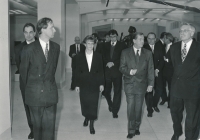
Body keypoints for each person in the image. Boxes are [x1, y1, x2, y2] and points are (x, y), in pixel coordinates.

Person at [20, 17, 60, 140]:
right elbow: (24, 76)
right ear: (43, 29)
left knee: (49, 132)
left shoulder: (56, 47)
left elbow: (52, 71)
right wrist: (27, 97)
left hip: (50, 94)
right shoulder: (28, 49)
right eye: (51, 27)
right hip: (34, 96)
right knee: (38, 132)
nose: (54, 30)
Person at [120, 32, 154, 139]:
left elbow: (150, 70)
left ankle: (137, 126)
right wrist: (129, 71)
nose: (142, 41)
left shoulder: (148, 53)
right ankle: (131, 129)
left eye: (142, 39)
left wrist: (151, 84)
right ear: (134, 41)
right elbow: (121, 67)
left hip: (141, 84)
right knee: (131, 107)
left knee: (139, 107)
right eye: (139, 39)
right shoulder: (125, 52)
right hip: (129, 83)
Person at [170, 23, 200, 140]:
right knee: (175, 113)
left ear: (192, 33)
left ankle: (190, 137)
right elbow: (174, 66)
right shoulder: (174, 47)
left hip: (193, 88)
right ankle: (177, 132)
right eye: (180, 31)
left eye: (185, 31)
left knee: (192, 116)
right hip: (176, 87)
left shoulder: (198, 47)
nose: (181, 33)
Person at [75, 35, 104, 135]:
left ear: (94, 44)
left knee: (93, 103)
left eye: (92, 43)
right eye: (88, 43)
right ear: (84, 44)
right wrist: (77, 84)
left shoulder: (98, 56)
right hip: (83, 83)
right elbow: (77, 71)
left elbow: (101, 71)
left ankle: (91, 124)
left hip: (95, 83)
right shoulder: (79, 56)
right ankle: (86, 117)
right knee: (85, 102)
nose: (90, 45)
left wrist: (101, 83)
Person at [14, 23, 36, 139]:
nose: (28, 35)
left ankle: (40, 128)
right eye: (26, 32)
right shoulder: (18, 48)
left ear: (35, 33)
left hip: (40, 83)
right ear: (23, 33)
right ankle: (32, 129)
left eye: (31, 32)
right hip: (25, 83)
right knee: (27, 107)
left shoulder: (41, 45)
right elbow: (19, 66)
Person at [103, 29, 126, 118]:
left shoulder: (122, 45)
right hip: (107, 72)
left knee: (117, 92)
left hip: (117, 72)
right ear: (108, 37)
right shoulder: (104, 45)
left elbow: (123, 58)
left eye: (114, 36)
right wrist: (107, 62)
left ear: (117, 36)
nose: (112, 38)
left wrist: (113, 63)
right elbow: (101, 56)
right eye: (111, 36)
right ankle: (110, 103)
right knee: (106, 91)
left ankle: (115, 111)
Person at [143, 32, 164, 117]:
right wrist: (151, 71)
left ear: (156, 39)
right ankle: (149, 110)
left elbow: (162, 60)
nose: (151, 40)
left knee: (160, 89)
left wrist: (157, 69)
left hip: (158, 72)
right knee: (149, 92)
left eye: (153, 38)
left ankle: (154, 104)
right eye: (149, 38)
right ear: (147, 39)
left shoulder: (160, 47)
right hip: (147, 73)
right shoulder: (144, 47)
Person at [160, 33, 174, 108]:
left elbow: (176, 59)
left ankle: (170, 102)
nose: (163, 40)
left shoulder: (174, 47)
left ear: (168, 39)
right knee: (162, 86)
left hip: (170, 71)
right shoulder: (163, 46)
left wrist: (167, 60)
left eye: (165, 38)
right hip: (163, 70)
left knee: (170, 88)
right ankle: (164, 99)